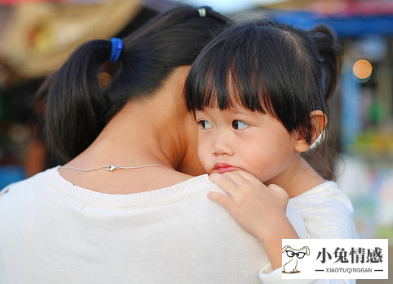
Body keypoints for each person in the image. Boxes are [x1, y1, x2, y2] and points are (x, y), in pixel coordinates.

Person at [0, 6, 309, 284]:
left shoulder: (9, 206)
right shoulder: (256, 213)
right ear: (191, 82)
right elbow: (341, 271)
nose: (223, 147)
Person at [185, 19, 358, 282]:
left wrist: (272, 227)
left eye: (239, 123)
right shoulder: (226, 182)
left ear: (305, 131)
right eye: (204, 123)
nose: (217, 146)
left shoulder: (329, 210)